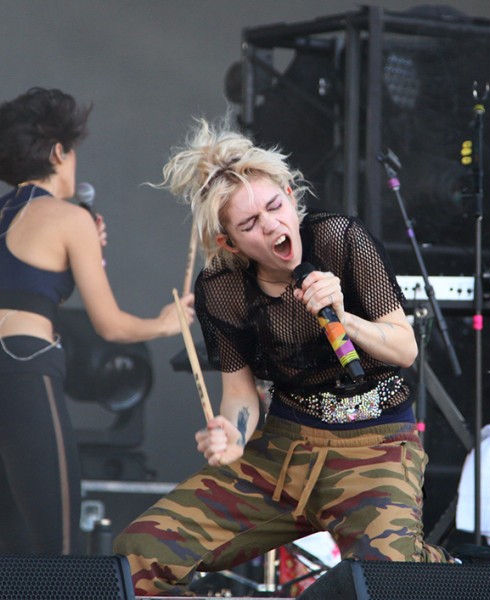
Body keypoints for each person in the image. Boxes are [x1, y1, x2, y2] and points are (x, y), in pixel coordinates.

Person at [113, 117, 452, 596]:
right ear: (229, 242)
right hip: (283, 451)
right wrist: (232, 438)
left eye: (274, 206)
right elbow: (239, 395)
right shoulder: (222, 288)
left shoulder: (339, 239)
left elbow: (405, 348)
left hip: (374, 446)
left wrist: (345, 319)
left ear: (291, 197)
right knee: (140, 551)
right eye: (249, 224)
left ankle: (445, 569)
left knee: (388, 581)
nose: (271, 224)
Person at [0, 87, 194, 555]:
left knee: (14, 547)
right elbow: (111, 327)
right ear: (58, 151)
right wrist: (165, 324)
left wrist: (81, 246)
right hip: (21, 376)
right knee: (59, 548)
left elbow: (15, 284)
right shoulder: (70, 219)